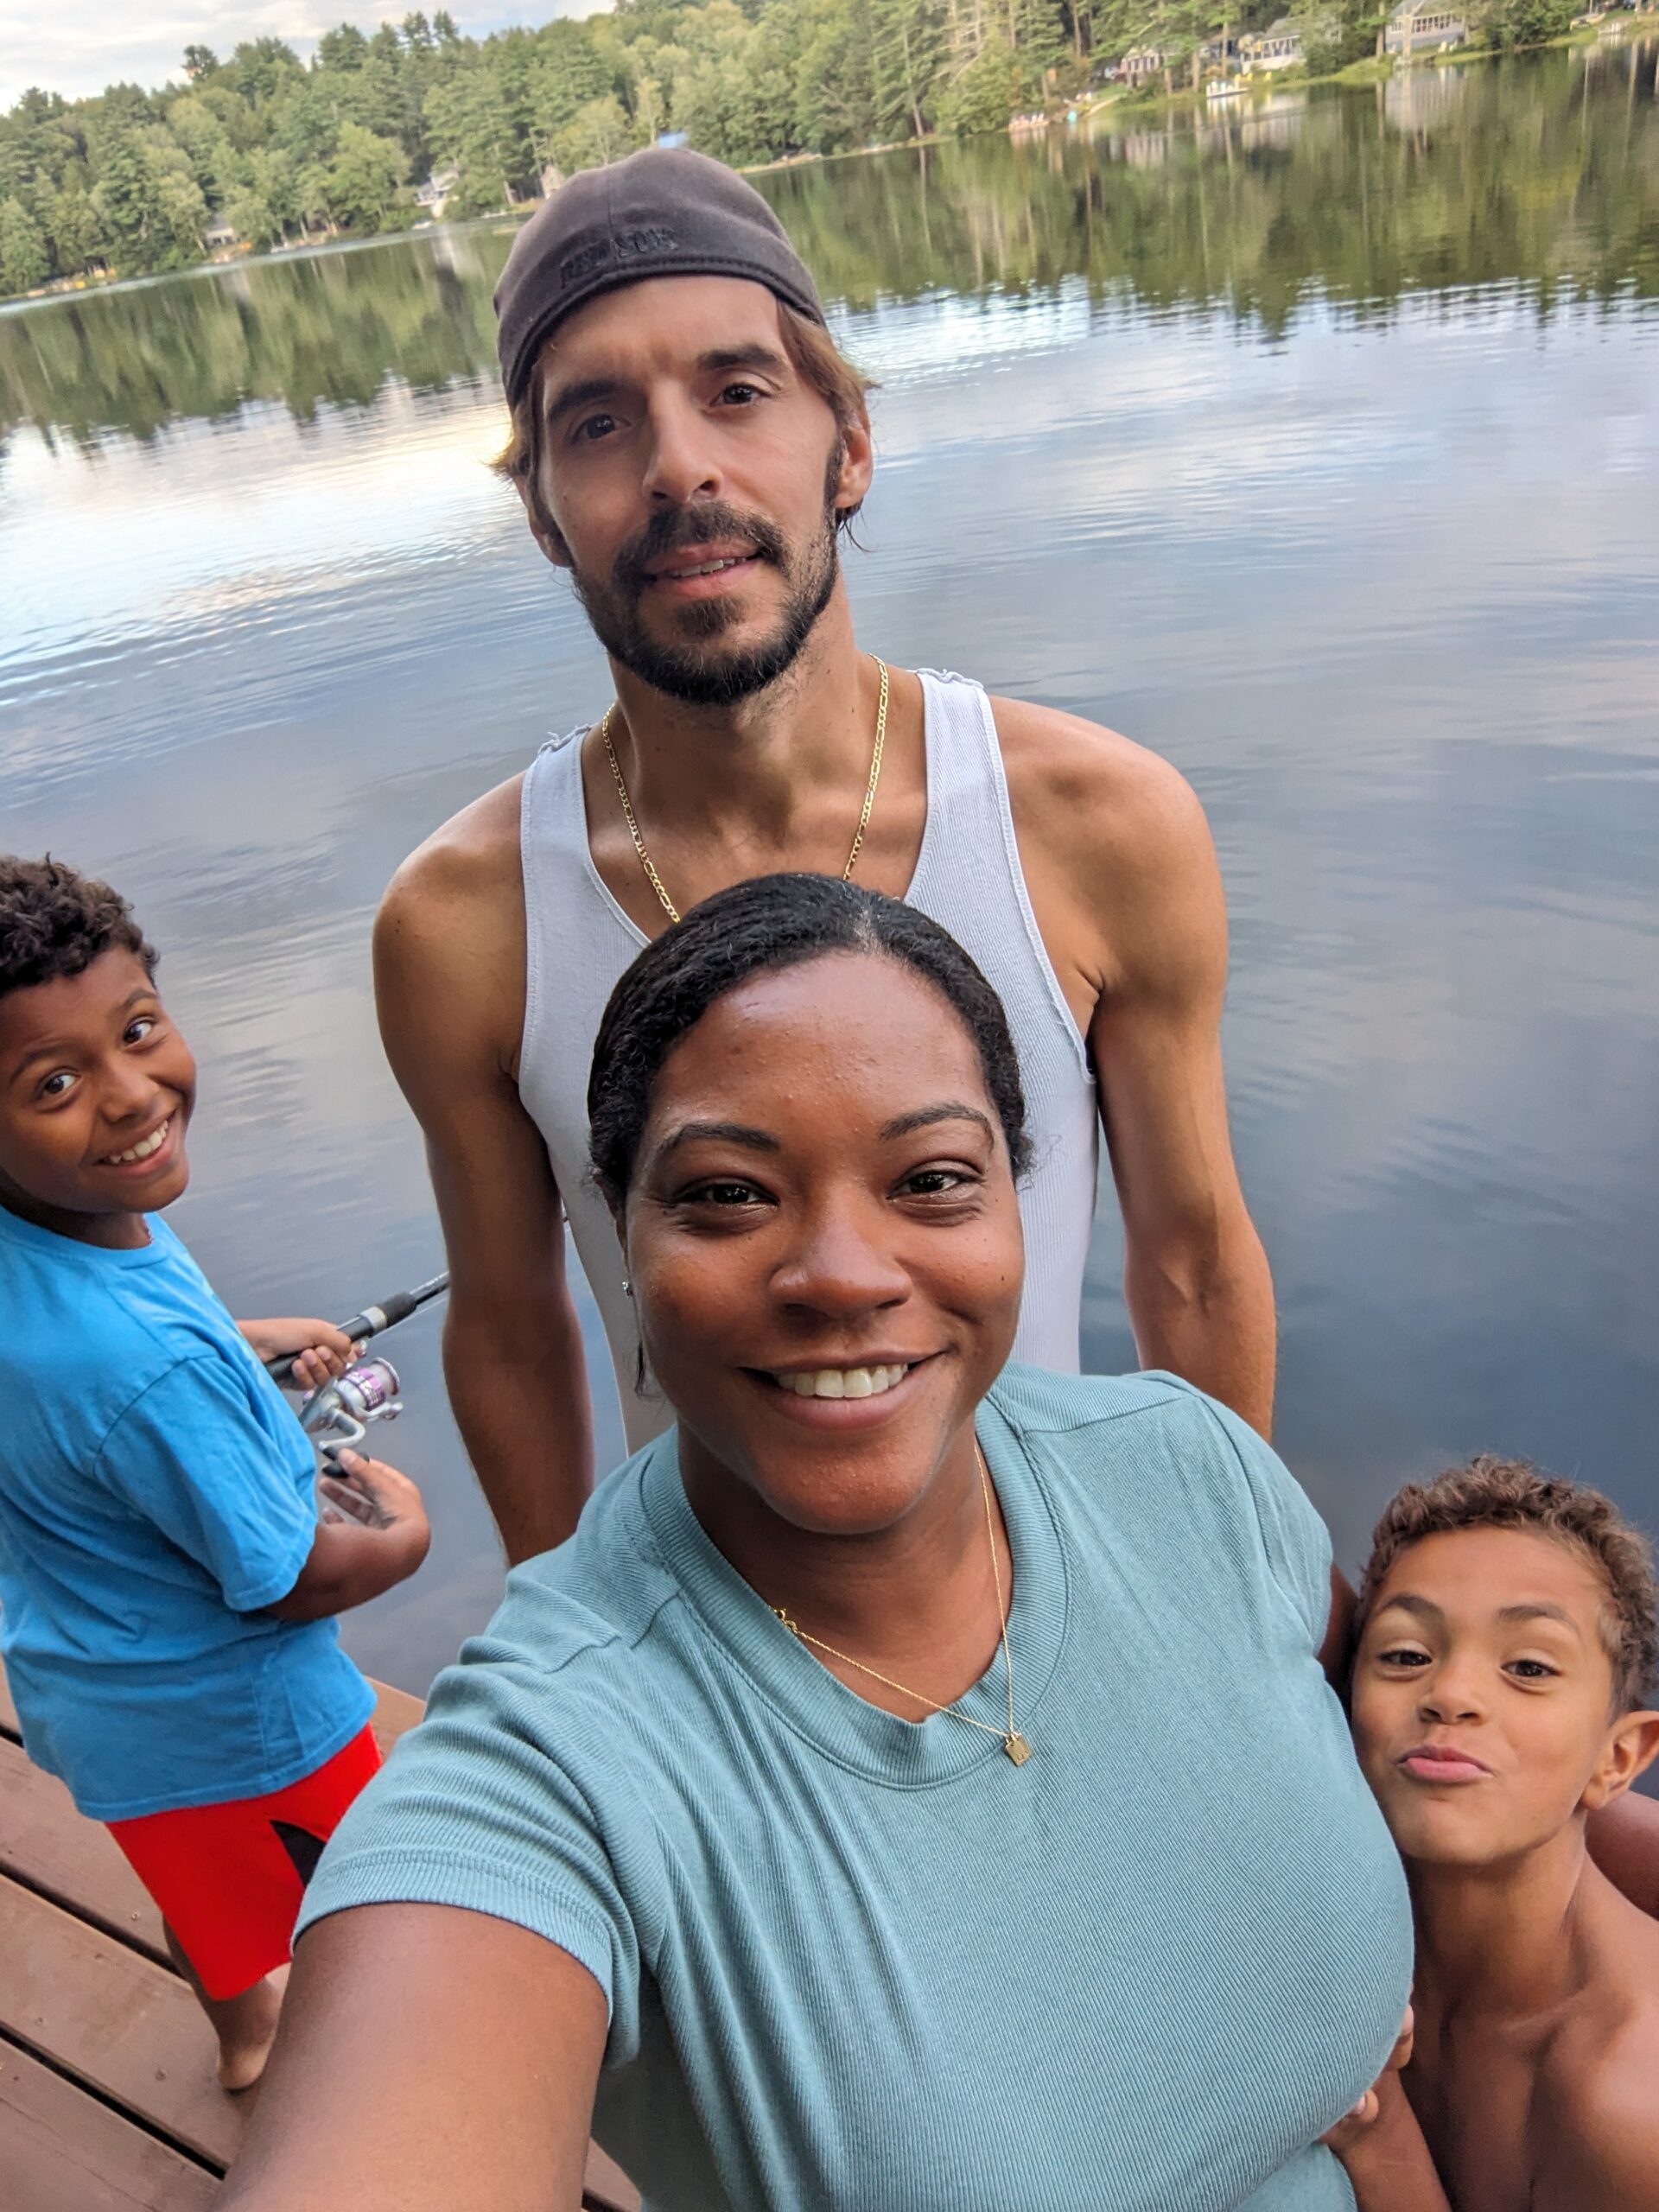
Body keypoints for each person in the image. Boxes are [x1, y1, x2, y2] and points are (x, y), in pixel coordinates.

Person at [221, 874, 1408, 2211]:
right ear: (622, 1229)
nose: (844, 1272)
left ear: (1014, 1201)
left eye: (933, 1180)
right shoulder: (560, 1766)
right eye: (730, 1194)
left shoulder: (1187, 1470)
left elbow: (1430, 1743)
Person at [374, 145, 1275, 1565]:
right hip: (707, 1631)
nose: (680, 466)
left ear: (848, 442)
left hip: (1062, 1587)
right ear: (542, 508)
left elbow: (1194, 1262)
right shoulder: (467, 922)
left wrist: (1235, 1598)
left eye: (737, 392)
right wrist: (574, 1638)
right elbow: (511, 1328)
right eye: (598, 423)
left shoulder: (1096, 823)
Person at [0, 857, 430, 2090]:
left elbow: (89, 1371)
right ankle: (372, 2094)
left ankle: (247, 2039)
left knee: (209, 1895)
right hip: (249, 1727)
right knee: (374, 1902)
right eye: (55, 1083)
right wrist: (401, 1537)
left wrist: (238, 1344)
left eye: (137, 1029)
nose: (132, 1096)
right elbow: (286, 1578)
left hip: (101, 1699)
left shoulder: (58, 1230)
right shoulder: (146, 1365)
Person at [1339, 1460, 1659, 2212]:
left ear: (1618, 1759)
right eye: (1406, 1655)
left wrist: (1374, 2124)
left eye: (1529, 1667)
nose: (1450, 1694)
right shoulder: (1322, 1920)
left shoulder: (1627, 2102)